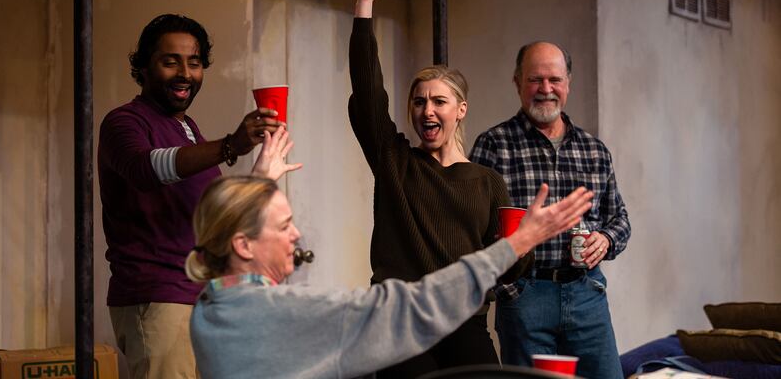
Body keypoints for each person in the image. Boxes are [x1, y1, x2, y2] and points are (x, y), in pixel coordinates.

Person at [186, 165, 594, 378]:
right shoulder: (277, 311)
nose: (296, 234)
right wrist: (517, 243)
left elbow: (232, 229)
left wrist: (261, 181)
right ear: (242, 244)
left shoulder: (210, 305)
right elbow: (410, 305)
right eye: (283, 225)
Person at [348, 0, 533, 377]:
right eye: (419, 102)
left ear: (461, 109)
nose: (427, 110)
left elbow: (505, 264)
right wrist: (364, 8)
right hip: (399, 320)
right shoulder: (395, 161)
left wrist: (525, 244)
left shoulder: (487, 183)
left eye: (438, 101)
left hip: (463, 322)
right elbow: (368, 92)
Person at [98, 13, 300, 379]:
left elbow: (212, 219)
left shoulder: (188, 129)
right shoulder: (124, 122)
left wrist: (261, 175)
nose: (185, 73)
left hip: (203, 297)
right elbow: (145, 169)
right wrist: (229, 146)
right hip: (158, 295)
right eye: (169, 61)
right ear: (143, 68)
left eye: (194, 62)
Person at [470, 41, 631, 379]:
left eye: (555, 80)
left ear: (568, 83)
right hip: (525, 295)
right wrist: (509, 289)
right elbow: (473, 229)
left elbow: (620, 219)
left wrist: (605, 238)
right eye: (535, 80)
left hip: (587, 293)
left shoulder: (594, 150)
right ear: (517, 83)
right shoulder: (494, 144)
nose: (546, 90)